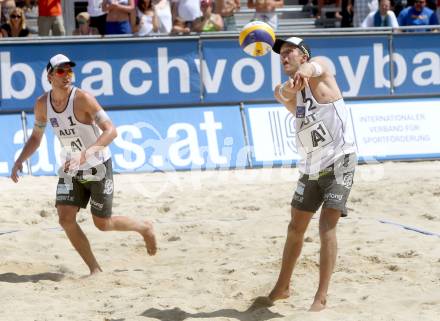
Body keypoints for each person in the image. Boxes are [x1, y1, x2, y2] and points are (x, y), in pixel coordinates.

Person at [10, 54, 157, 275]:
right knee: (65, 218)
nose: (67, 75)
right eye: (61, 71)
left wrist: (85, 154)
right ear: (50, 76)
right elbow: (35, 137)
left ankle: (144, 227)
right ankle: (94, 269)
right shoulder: (42, 104)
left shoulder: (83, 99)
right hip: (70, 169)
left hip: (97, 165)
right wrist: (20, 159)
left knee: (102, 224)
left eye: (70, 70)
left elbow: (111, 131)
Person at [267, 37, 357, 311]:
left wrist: (301, 74)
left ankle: (320, 297)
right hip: (311, 166)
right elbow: (279, 94)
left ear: (303, 55)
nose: (283, 56)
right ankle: (282, 287)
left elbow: (314, 68)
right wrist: (287, 86)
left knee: (326, 226)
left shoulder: (321, 70)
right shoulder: (293, 92)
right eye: (280, 54)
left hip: (340, 159)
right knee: (295, 227)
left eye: (289, 51)